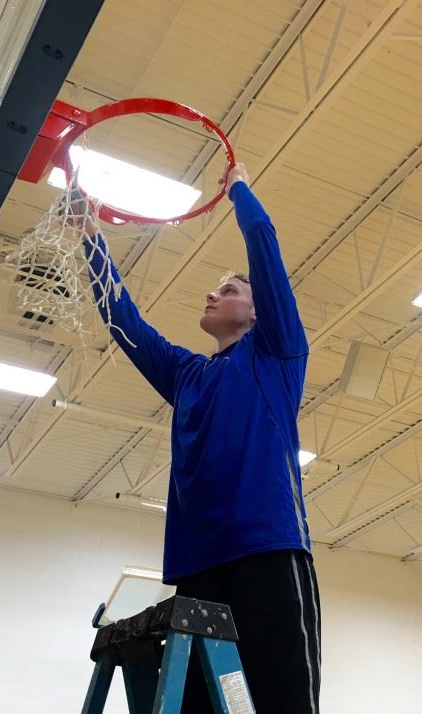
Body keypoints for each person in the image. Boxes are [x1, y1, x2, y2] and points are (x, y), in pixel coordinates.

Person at [83, 163, 320, 713]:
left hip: (266, 549)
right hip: (197, 563)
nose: (212, 295)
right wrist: (90, 238)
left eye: (230, 289)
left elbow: (264, 243)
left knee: (283, 699)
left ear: (260, 310)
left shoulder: (276, 355)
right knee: (200, 705)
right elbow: (126, 322)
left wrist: (237, 188)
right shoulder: (187, 374)